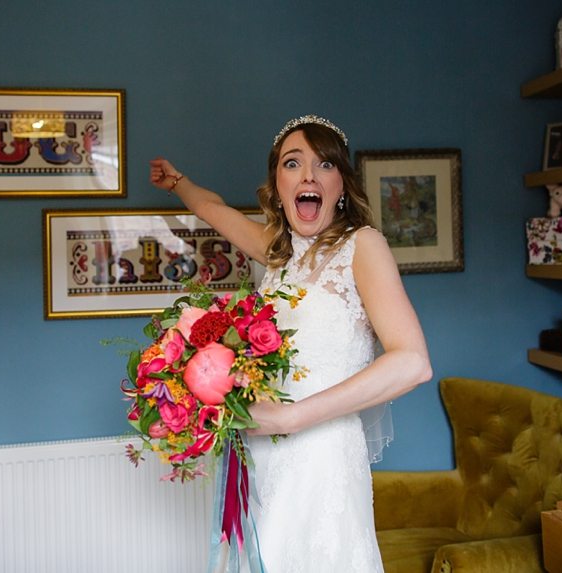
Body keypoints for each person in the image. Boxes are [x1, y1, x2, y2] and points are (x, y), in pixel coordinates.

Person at [149, 114, 432, 572]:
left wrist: (292, 417)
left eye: (325, 165)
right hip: (263, 455)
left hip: (323, 459)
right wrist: (178, 182)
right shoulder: (279, 254)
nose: (308, 176)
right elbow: (212, 208)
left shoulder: (363, 246)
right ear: (277, 187)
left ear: (341, 185)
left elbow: (413, 362)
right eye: (293, 163)